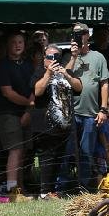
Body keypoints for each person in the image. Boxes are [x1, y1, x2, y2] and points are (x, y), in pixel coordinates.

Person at [30, 43, 81, 199]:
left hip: (65, 126)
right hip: (46, 125)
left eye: (55, 57)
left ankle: (53, 190)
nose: (52, 60)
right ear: (44, 58)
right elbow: (37, 91)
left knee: (60, 158)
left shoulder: (66, 71)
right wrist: (48, 74)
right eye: (49, 57)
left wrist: (66, 74)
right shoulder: (39, 72)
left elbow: (78, 87)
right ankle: (44, 192)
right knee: (47, 158)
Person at [65, 24, 109, 192]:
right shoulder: (68, 57)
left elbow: (105, 83)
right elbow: (65, 76)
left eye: (81, 33)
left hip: (91, 113)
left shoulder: (98, 57)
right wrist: (73, 57)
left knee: (86, 151)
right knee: (68, 150)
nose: (78, 36)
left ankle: (83, 186)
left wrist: (103, 109)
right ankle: (63, 185)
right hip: (72, 113)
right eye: (75, 33)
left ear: (87, 35)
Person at [0, 32, 38, 199]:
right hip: (8, 113)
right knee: (15, 151)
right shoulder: (3, 66)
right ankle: (12, 190)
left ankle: (20, 188)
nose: (17, 45)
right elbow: (8, 93)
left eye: (20, 42)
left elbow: (36, 88)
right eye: (14, 42)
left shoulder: (29, 65)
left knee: (23, 152)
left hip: (26, 113)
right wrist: (28, 104)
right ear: (8, 45)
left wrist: (29, 111)